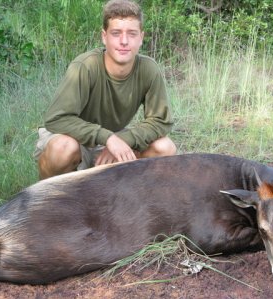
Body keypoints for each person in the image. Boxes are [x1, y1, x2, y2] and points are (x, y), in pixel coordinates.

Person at [34, 0, 176, 179]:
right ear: (104, 36)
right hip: (73, 138)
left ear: (141, 37)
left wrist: (122, 139)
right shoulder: (85, 66)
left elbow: (161, 121)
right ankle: (48, 203)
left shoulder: (149, 69)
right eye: (116, 33)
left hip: (112, 140)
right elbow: (56, 119)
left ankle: (128, 200)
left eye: (132, 34)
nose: (124, 41)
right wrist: (107, 137)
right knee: (63, 148)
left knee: (164, 148)